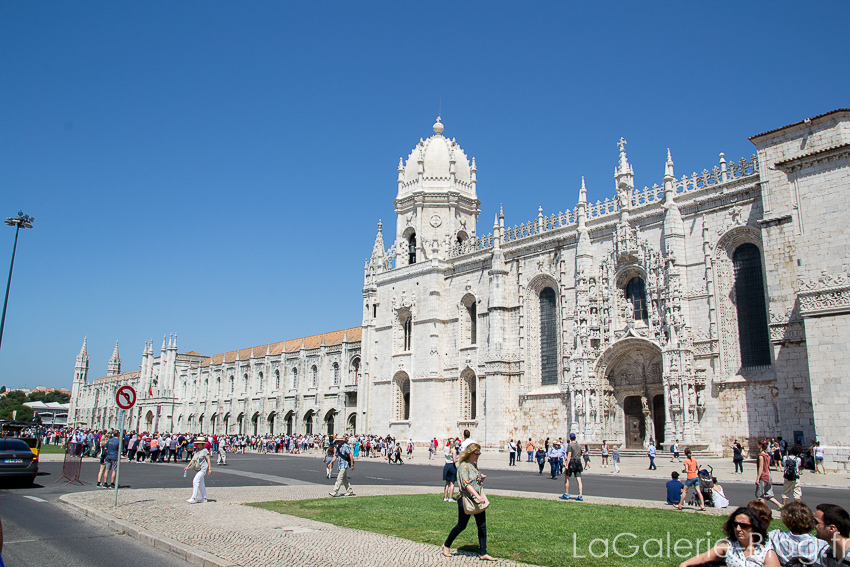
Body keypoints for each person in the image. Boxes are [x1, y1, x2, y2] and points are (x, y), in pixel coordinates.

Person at [441, 443, 495, 561]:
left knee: (482, 526)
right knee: (461, 525)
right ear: (470, 453)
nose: (478, 456)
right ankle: (446, 545)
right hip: (466, 499)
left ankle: (483, 552)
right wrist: (478, 497)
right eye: (477, 453)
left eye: (479, 453)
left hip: (476, 498)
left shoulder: (473, 465)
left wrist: (481, 477)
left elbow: (474, 479)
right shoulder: (463, 466)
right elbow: (466, 484)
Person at [678, 506, 780, 567]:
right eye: (735, 524)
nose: (738, 529)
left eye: (743, 525)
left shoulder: (766, 553)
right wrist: (684, 564)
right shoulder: (728, 546)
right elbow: (703, 558)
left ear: (754, 528)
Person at [756, 440, 783, 510]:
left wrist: (758, 478)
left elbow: (761, 467)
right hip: (769, 474)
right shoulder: (767, 455)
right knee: (768, 494)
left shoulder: (761, 456)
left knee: (759, 495)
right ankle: (780, 505)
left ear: (760, 446)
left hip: (764, 475)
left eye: (757, 445)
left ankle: (765, 510)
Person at [560, 433, 584, 501]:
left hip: (572, 462)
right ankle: (580, 495)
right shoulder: (579, 445)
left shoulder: (570, 445)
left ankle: (566, 494)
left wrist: (567, 465)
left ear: (570, 438)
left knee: (567, 478)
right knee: (579, 480)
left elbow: (569, 455)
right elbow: (580, 454)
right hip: (578, 462)